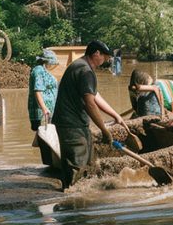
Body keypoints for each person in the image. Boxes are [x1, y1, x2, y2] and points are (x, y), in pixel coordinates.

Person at [52, 40, 127, 189]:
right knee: (77, 165)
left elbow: (94, 95)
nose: (106, 60)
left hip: (74, 123)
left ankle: (80, 199)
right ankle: (72, 203)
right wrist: (105, 131)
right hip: (72, 125)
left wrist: (115, 115)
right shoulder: (85, 71)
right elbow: (90, 103)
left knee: (89, 162)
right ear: (96, 53)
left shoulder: (81, 65)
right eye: (105, 56)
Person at [28, 49, 60, 165]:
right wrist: (44, 108)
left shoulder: (42, 71)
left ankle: (51, 161)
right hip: (43, 111)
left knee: (49, 135)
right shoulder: (39, 71)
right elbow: (38, 90)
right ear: (47, 61)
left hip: (48, 109)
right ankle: (49, 162)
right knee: (45, 135)